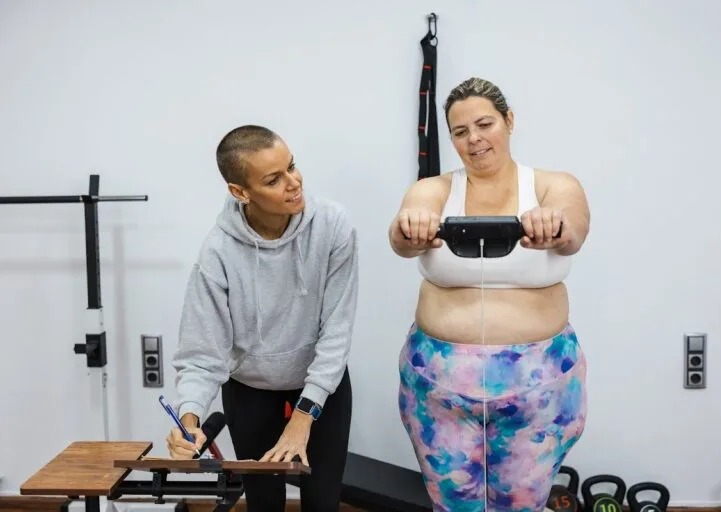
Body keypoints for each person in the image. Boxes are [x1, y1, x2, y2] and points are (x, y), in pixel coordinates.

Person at [389, 77, 590, 512]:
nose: (474, 139)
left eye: (484, 124)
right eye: (460, 132)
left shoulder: (554, 186)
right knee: (454, 504)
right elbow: (401, 236)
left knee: (521, 503)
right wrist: (412, 227)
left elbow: (572, 232)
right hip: (440, 388)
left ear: (509, 120)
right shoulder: (433, 190)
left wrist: (552, 222)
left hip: (536, 388)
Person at [167, 125, 359, 512]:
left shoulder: (333, 226)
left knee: (323, 503)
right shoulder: (217, 255)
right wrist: (189, 421)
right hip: (250, 389)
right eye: (274, 179)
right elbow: (202, 354)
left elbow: (336, 333)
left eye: (292, 167)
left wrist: (303, 419)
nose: (294, 183)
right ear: (240, 192)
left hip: (321, 385)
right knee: (264, 504)